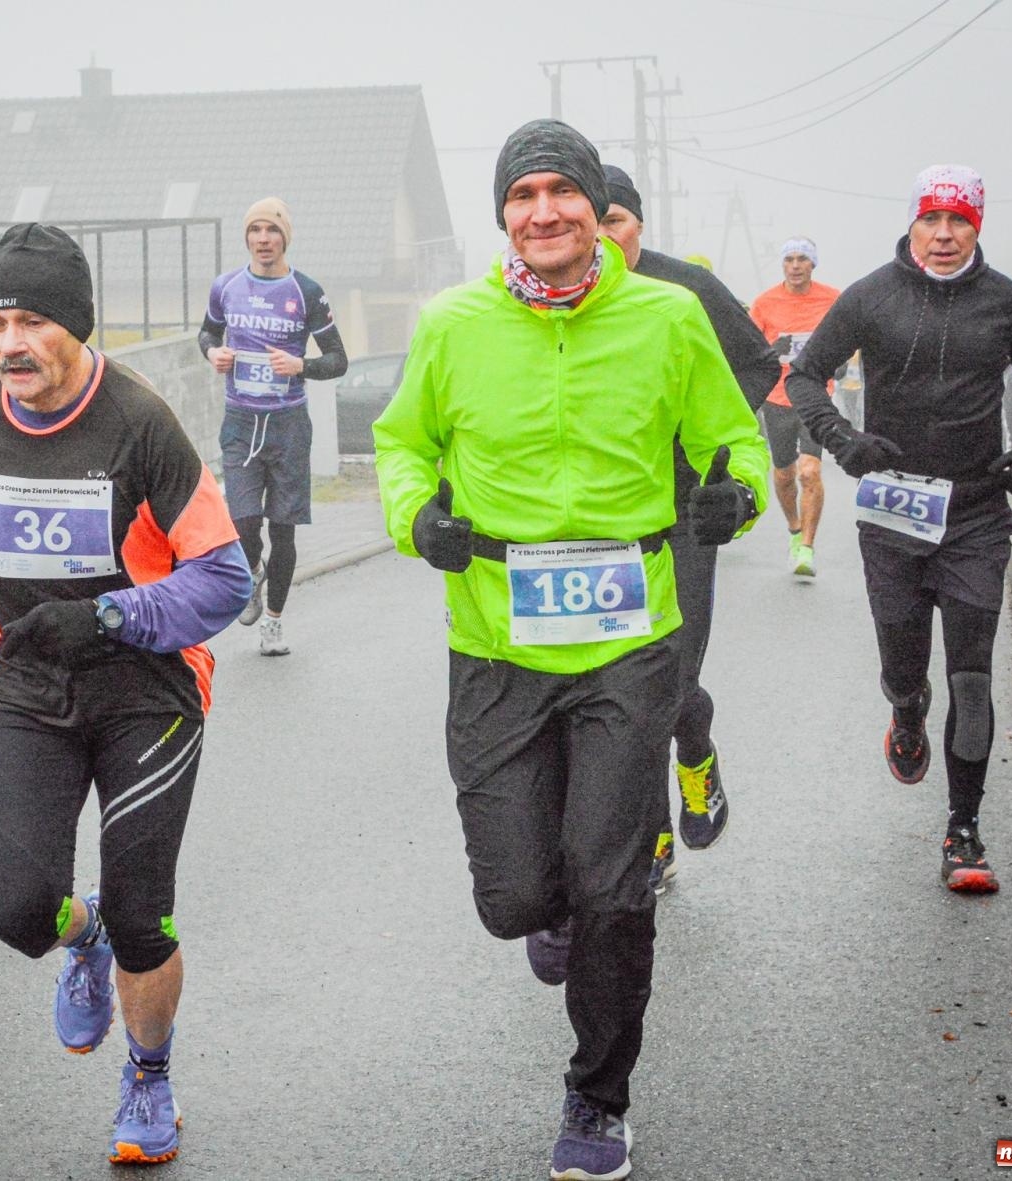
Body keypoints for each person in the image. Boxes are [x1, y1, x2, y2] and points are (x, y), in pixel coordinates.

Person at [374, 120, 768, 1181]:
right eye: (523, 193)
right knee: (515, 899)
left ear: (596, 210)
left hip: (628, 640)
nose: (542, 210)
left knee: (613, 888)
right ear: (504, 212)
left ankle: (598, 1096)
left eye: (563, 192)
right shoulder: (453, 322)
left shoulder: (668, 315)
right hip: (495, 637)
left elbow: (730, 435)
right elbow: (402, 440)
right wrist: (418, 518)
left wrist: (733, 492)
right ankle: (550, 912)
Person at [0, 223, 251, 1164]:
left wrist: (108, 618)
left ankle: (149, 1076)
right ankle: (77, 930)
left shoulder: (139, 422)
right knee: (20, 912)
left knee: (146, 912)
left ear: (79, 326)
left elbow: (224, 579)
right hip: (23, 683)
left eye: (33, 321)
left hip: (148, 690)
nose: (11, 342)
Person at [788, 164, 1012, 894]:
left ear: (978, 226)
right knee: (906, 669)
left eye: (960, 222)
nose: (944, 236)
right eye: (932, 221)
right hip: (892, 513)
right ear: (912, 223)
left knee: (971, 677)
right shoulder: (873, 295)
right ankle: (906, 712)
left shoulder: (1010, 302)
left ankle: (963, 832)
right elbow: (806, 375)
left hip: (975, 512)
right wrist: (844, 442)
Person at [598, 165, 779, 894]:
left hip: (683, 512)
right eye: (595, 218)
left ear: (637, 224)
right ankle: (654, 837)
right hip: (608, 519)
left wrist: (706, 436)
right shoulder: (563, 302)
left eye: (616, 219)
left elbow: (759, 365)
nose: (605, 235)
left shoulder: (687, 290)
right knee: (620, 684)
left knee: (673, 678)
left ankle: (696, 755)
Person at [198, 197, 348, 656]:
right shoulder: (226, 287)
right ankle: (251, 572)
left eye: (272, 231)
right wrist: (212, 354)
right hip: (241, 421)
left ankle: (275, 623)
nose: (263, 239)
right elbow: (206, 333)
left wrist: (299, 365)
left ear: (285, 238)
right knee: (241, 525)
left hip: (287, 426)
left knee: (283, 531)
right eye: (255, 231)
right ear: (246, 237)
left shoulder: (306, 291)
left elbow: (339, 360)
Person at [750, 237, 840, 577]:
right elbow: (752, 352)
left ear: (813, 264)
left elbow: (846, 339)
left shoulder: (832, 299)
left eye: (803, 259)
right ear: (782, 265)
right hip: (777, 398)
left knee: (810, 471)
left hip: (816, 394)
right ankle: (793, 528)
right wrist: (773, 349)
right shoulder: (765, 303)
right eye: (789, 259)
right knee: (785, 474)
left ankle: (806, 548)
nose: (796, 265)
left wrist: (839, 361)